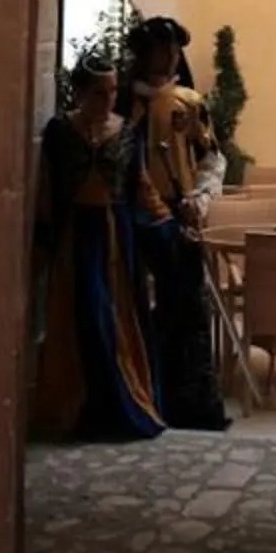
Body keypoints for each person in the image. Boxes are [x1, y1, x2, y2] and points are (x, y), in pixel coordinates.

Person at [30, 46, 165, 441]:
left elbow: (142, 187)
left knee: (113, 318)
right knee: (80, 316)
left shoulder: (126, 132)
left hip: (113, 236)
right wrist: (42, 241)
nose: (107, 100)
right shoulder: (60, 132)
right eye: (99, 93)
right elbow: (47, 191)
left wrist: (171, 224)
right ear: (81, 93)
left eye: (112, 92)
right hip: (75, 235)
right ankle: (76, 407)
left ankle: (116, 407)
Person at [120, 15, 231, 432]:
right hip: (131, 221)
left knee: (185, 311)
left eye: (172, 50)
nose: (166, 58)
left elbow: (212, 158)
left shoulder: (189, 102)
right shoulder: (121, 103)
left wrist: (200, 198)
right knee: (135, 309)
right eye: (157, 49)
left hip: (179, 218)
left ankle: (190, 404)